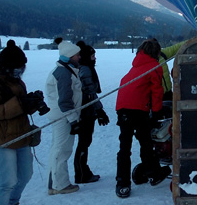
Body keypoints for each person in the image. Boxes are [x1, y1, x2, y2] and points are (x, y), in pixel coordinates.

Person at [0, 40, 45, 205]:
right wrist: (20, 103)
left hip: (21, 136)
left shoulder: (18, 83)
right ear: (7, 66)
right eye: (18, 67)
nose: (20, 70)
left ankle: (12, 202)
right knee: (6, 183)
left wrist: (31, 102)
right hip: (1, 140)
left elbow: (19, 109)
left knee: (25, 175)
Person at [115, 39, 171, 198]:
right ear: (156, 53)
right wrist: (158, 113)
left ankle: (122, 183)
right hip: (139, 109)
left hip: (123, 109)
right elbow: (157, 92)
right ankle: (153, 172)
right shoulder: (154, 67)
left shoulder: (135, 68)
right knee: (145, 142)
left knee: (124, 147)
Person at [45, 39, 83, 195]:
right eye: (77, 54)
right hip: (64, 116)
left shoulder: (65, 70)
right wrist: (73, 120)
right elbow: (65, 101)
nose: (79, 57)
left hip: (61, 115)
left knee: (57, 148)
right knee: (62, 150)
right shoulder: (64, 73)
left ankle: (54, 182)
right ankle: (60, 185)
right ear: (70, 56)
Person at [73, 41, 110, 184]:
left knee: (84, 141)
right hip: (85, 111)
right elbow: (90, 93)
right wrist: (99, 110)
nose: (95, 58)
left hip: (86, 110)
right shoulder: (86, 70)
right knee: (84, 141)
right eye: (93, 56)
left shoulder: (84, 68)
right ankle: (81, 173)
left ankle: (82, 171)